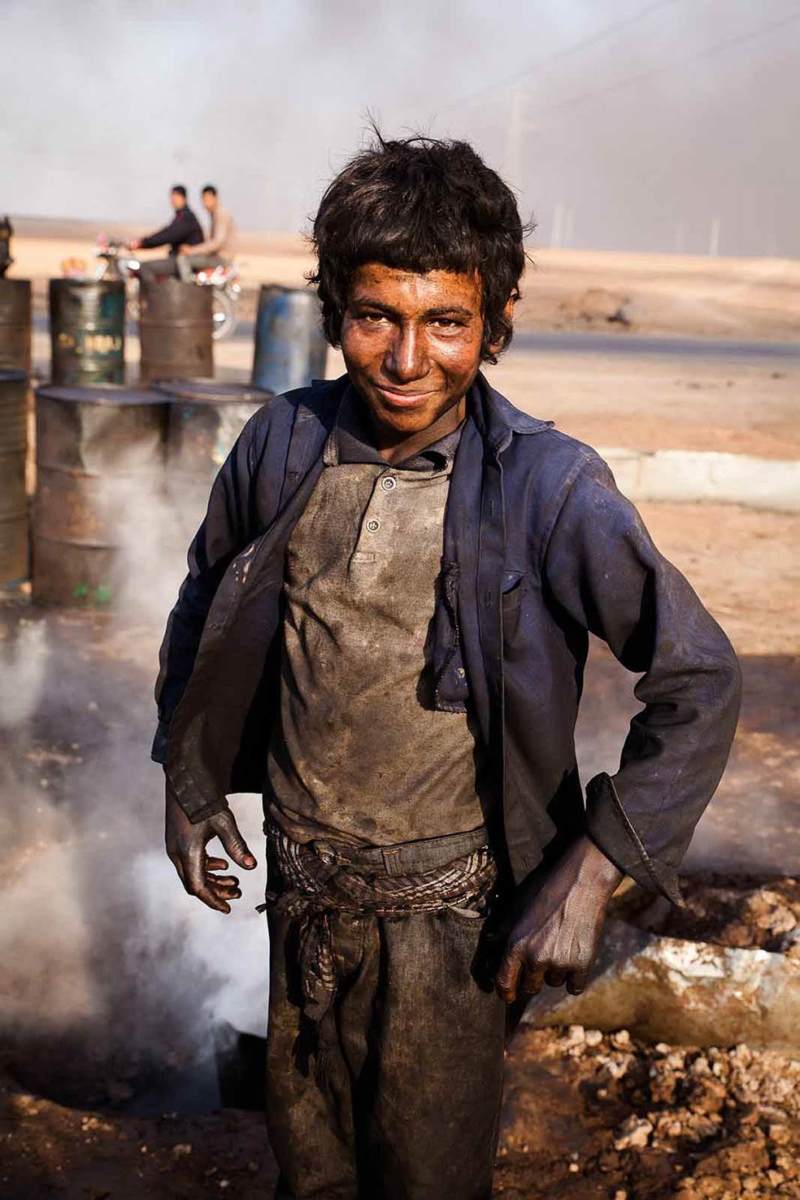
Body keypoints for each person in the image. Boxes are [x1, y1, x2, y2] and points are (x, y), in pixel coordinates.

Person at [152, 134, 741, 1200]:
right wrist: (185, 780)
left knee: (424, 1178)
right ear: (334, 309)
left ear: (498, 322)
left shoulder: (550, 490)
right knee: (313, 1172)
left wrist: (590, 868)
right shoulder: (280, 447)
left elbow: (697, 679)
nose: (406, 359)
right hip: (299, 902)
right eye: (376, 316)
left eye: (446, 323)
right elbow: (203, 603)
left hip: (455, 930)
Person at [131, 184, 203, 281]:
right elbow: (166, 232)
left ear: (183, 198)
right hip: (178, 259)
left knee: (145, 267)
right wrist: (143, 242)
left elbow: (168, 235)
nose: (172, 201)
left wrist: (143, 243)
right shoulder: (180, 216)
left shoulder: (186, 217)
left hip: (184, 261)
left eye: (175, 197)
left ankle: (154, 295)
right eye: (171, 198)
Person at [176, 183, 235, 282]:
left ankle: (190, 287)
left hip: (222, 259)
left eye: (208, 199)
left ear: (215, 198)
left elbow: (217, 243)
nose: (205, 203)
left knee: (183, 260)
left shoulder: (220, 214)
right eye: (203, 200)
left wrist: (192, 250)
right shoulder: (215, 214)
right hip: (218, 258)